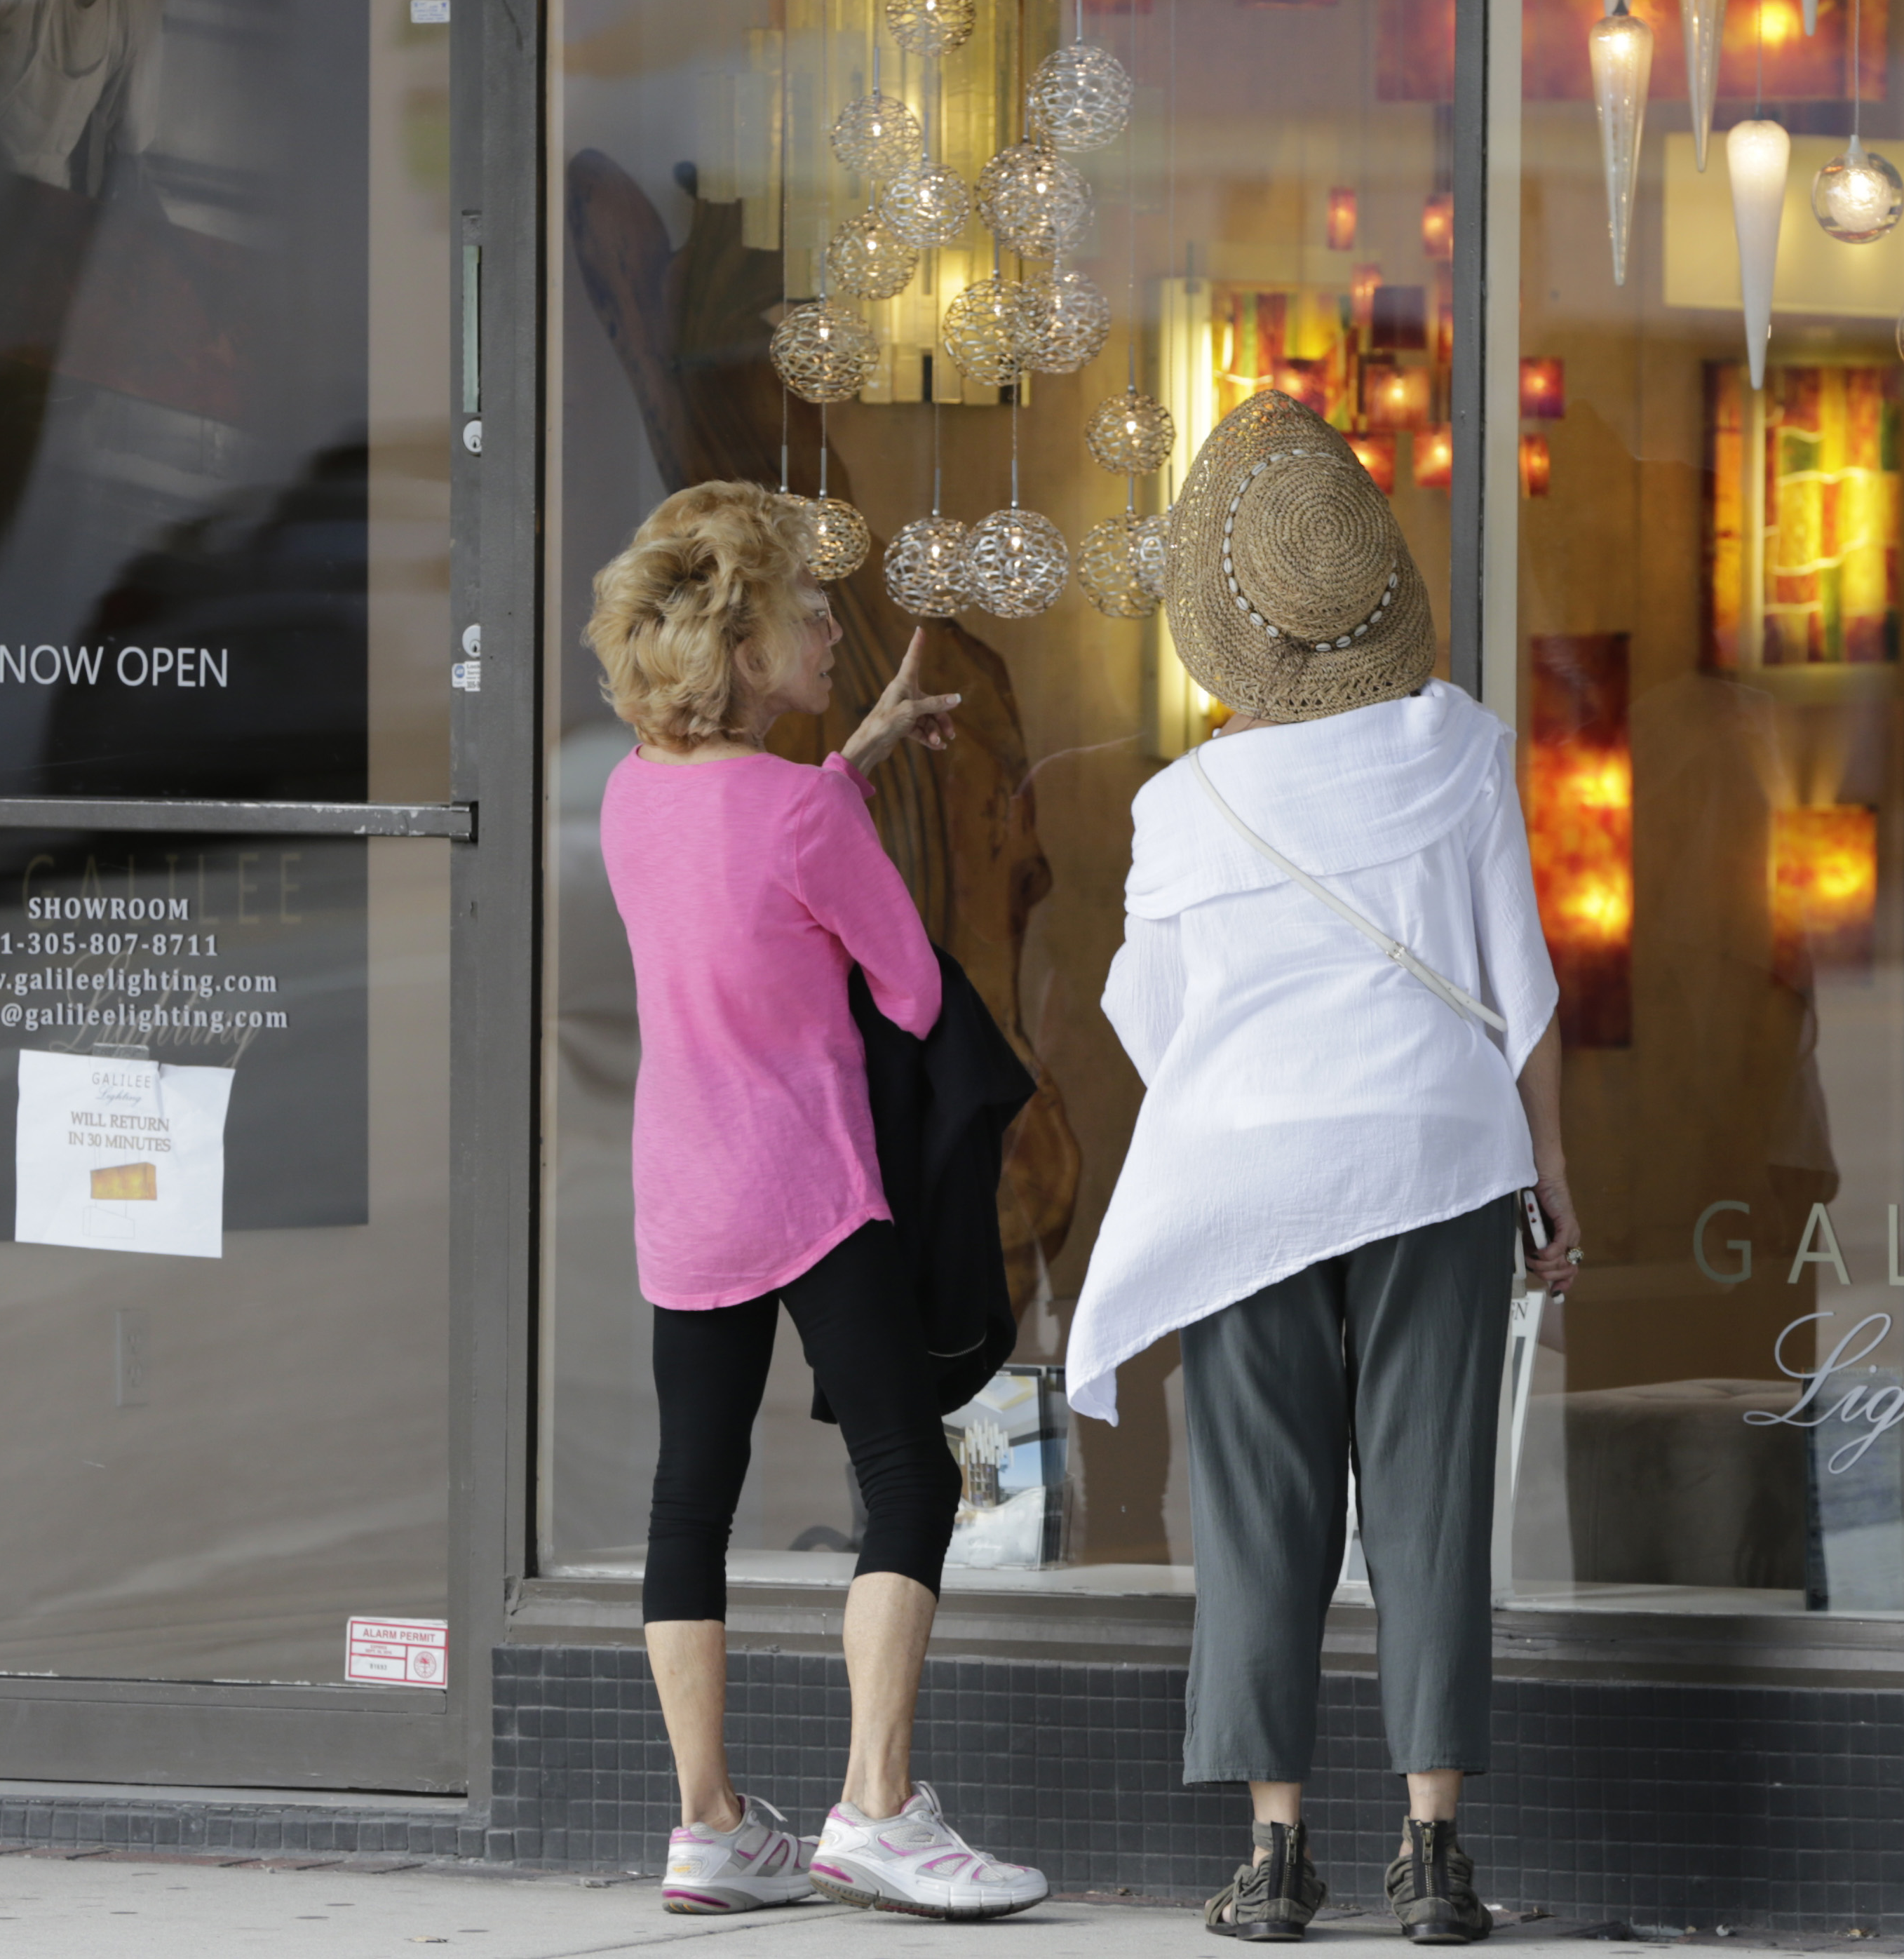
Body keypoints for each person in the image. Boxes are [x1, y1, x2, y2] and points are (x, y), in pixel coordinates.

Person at [1067, 393, 1584, 1945]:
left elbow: (1156, 1027)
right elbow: (1520, 981)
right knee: (1429, 1500)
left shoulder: (1178, 807)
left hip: (1244, 1181)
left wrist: (1267, 1096)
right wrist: (1550, 1166)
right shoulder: (1464, 748)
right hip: (1436, 1156)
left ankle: (1276, 1856)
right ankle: (1433, 1855)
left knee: (1256, 1505)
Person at [585, 481, 1046, 1921]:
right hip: (813, 1191)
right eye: (804, 614)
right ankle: (882, 1807)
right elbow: (907, 984)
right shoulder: (798, 817)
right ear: (740, 648)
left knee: (690, 1500)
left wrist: (854, 751)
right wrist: (846, 787)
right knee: (910, 1480)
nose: (832, 631)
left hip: (683, 1196)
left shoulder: (629, 798)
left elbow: (753, 854)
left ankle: (710, 1825)